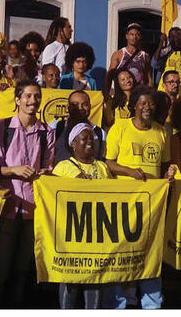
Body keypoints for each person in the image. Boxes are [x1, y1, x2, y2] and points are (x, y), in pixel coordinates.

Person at [0, 80, 55, 308]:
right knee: (0, 266)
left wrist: (42, 172)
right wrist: (14, 170)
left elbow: (49, 168)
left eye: (36, 96)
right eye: (28, 96)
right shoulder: (2, 128)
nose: (33, 101)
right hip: (7, 206)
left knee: (24, 267)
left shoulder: (46, 132)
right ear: (17, 100)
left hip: (34, 208)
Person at [105, 85, 175, 309]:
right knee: (123, 252)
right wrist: (130, 172)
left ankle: (152, 304)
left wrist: (168, 176)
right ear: (133, 104)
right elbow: (108, 163)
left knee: (150, 252)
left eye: (151, 103)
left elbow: (164, 166)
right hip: (124, 202)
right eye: (142, 103)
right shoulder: (120, 127)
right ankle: (122, 303)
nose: (147, 107)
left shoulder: (162, 131)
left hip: (152, 203)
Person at [53, 123, 112, 309]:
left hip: (96, 233)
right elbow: (52, 195)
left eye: (91, 138)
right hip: (72, 234)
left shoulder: (102, 167)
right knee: (70, 278)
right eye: (83, 138)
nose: (89, 142)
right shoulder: (62, 167)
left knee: (94, 278)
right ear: (73, 143)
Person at [49, 90, 106, 164]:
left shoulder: (100, 133)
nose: (80, 108)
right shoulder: (55, 128)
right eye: (75, 104)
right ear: (68, 107)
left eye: (84, 104)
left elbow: (102, 160)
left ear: (90, 107)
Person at [104, 23, 152, 100]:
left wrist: (150, 95)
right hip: (122, 96)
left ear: (140, 37)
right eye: (131, 34)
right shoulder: (118, 54)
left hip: (139, 96)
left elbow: (148, 78)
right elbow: (110, 75)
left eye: (137, 34)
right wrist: (106, 94)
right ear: (127, 36)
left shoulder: (145, 56)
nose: (134, 37)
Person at [151, 27, 181, 92]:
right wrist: (161, 44)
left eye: (178, 36)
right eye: (172, 36)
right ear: (169, 38)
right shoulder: (165, 52)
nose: (175, 38)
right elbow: (154, 64)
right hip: (165, 92)